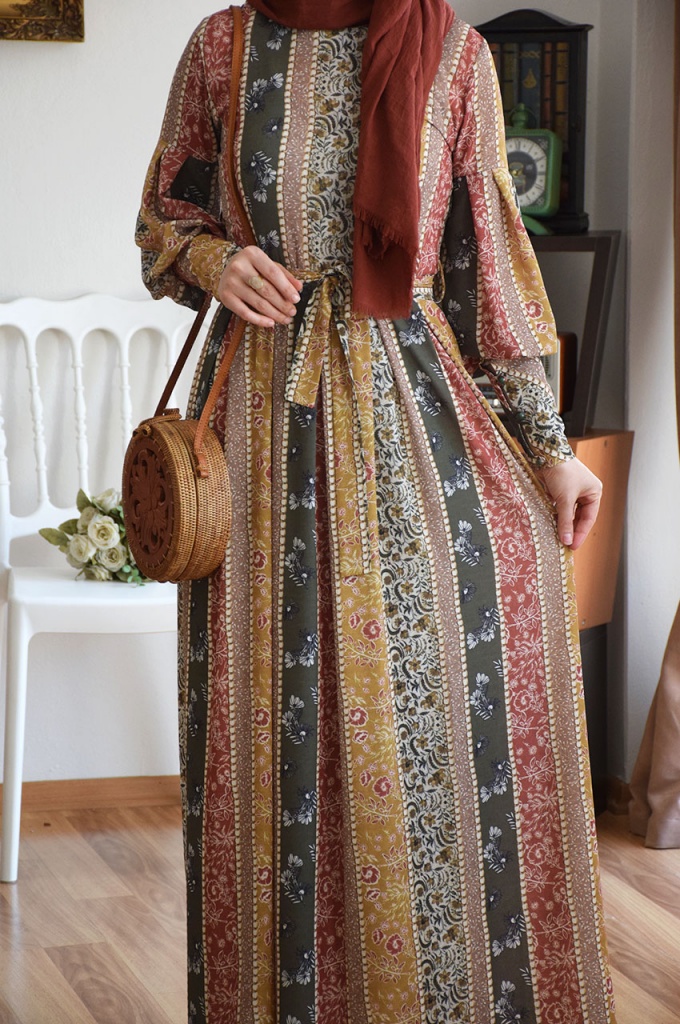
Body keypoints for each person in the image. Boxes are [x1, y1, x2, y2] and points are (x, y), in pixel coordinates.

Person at [136, 2, 616, 1022]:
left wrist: (549, 449)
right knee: (267, 730)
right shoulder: (222, 46)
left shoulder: (455, 54)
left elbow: (489, 268)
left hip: (414, 427)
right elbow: (161, 217)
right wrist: (212, 259)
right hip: (256, 433)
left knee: (428, 724)